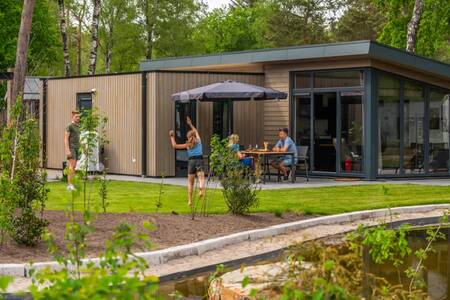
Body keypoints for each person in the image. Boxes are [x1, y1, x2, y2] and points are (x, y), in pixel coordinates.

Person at [169, 116, 205, 206]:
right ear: (194, 136)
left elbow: (175, 146)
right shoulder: (199, 141)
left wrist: (172, 137)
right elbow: (196, 131)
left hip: (191, 162)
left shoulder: (187, 145)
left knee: (190, 182)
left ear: (188, 137)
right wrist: (190, 124)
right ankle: (201, 189)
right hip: (199, 160)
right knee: (201, 178)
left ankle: (190, 200)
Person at [64, 110, 81, 191]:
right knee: (72, 166)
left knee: (74, 167)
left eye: (79, 117)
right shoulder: (69, 126)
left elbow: (79, 139)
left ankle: (71, 184)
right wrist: (67, 150)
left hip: (77, 148)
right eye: (76, 117)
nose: (78, 118)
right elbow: (66, 139)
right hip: (71, 148)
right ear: (72, 116)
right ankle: (70, 185)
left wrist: (83, 148)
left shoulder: (78, 126)